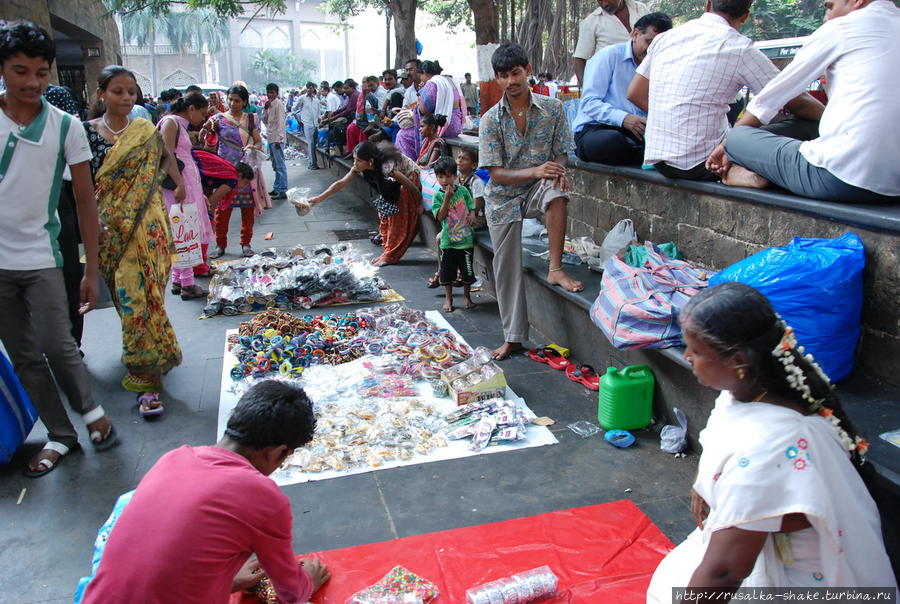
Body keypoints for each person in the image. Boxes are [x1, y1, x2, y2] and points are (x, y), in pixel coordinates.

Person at [646, 282, 896, 601]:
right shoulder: (748, 392)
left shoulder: (770, 446)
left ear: (737, 361)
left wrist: (732, 507)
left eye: (695, 351)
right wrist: (703, 482)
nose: (688, 358)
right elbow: (722, 429)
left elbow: (723, 573)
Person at [81, 380, 332, 604]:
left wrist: (226, 580)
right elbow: (291, 591)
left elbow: (159, 562)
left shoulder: (173, 458)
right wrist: (308, 581)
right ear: (277, 453)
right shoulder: (262, 496)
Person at [0, 21, 118, 477]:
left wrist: (89, 270)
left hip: (43, 256)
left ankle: (90, 412)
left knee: (58, 342)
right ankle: (61, 435)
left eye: (41, 73)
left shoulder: (65, 126)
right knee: (24, 355)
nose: (32, 82)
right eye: (20, 71)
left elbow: (86, 201)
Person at [707, 0, 900, 203]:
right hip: (895, 185)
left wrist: (729, 147)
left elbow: (770, 98)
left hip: (841, 178)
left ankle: (756, 173)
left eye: (829, 7)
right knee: (812, 124)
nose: (825, 18)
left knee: (738, 137)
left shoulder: (843, 28)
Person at [627, 0, 823, 181]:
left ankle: (740, 171)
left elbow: (635, 92)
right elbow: (798, 102)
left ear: (708, 4)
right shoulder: (739, 48)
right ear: (745, 16)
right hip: (705, 161)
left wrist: (673, 120)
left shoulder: (665, 38)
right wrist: (835, 121)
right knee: (811, 126)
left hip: (659, 160)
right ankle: (742, 173)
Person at [84, 65, 184, 418]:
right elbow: (81, 187)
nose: (126, 98)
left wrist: (179, 183)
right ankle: (144, 374)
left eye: (132, 92)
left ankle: (148, 359)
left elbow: (165, 158)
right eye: (118, 91)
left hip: (151, 226)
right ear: (101, 94)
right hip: (110, 230)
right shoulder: (86, 134)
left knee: (151, 294)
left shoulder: (144, 130)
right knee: (131, 298)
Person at [479, 43, 583, 361]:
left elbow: (563, 149)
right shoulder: (490, 120)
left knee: (557, 192)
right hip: (502, 199)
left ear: (528, 72)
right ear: (496, 79)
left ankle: (555, 268)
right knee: (506, 265)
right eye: (503, 76)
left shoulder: (553, 108)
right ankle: (513, 338)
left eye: (516, 73)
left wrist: (556, 169)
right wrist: (538, 170)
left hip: (538, 189)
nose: (510, 81)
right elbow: (495, 175)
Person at [296, 140, 421, 267]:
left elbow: (410, 186)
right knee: (384, 213)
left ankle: (390, 255)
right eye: (354, 159)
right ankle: (387, 248)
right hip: (391, 186)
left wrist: (419, 204)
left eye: (359, 161)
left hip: (409, 179)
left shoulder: (386, 167)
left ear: (370, 161)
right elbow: (340, 183)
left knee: (397, 218)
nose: (355, 164)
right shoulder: (362, 166)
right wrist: (319, 198)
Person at [573, 12, 672, 165]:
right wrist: (624, 119)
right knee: (612, 141)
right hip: (595, 129)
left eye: (659, 46)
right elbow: (588, 103)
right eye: (649, 42)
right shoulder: (608, 56)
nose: (652, 50)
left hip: (637, 132)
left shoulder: (662, 65)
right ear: (636, 34)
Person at [158, 92, 214, 300]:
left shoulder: (178, 124)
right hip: (179, 186)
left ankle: (179, 278)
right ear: (191, 109)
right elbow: (167, 154)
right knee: (184, 232)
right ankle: (188, 283)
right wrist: (180, 184)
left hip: (186, 185)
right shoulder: (171, 123)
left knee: (182, 231)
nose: (202, 119)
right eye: (201, 114)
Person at [43, 83, 87, 346]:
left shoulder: (65, 125)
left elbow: (82, 189)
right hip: (54, 212)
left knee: (70, 277)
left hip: (63, 206)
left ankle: (71, 343)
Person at [203, 84, 268, 258]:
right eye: (230, 100)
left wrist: (252, 146)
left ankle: (246, 243)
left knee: (247, 209)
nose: (232, 103)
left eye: (237, 101)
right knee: (222, 210)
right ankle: (220, 244)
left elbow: (258, 141)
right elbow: (208, 142)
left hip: (245, 170)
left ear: (245, 102)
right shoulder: (218, 119)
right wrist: (211, 130)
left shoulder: (251, 119)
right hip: (223, 170)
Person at [432, 156, 477, 313]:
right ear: (437, 177)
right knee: (447, 274)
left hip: (466, 240)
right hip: (448, 242)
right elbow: (440, 216)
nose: (445, 180)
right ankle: (448, 298)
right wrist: (447, 198)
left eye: (449, 176)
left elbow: (471, 206)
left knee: (467, 273)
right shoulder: (437, 196)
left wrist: (472, 214)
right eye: (441, 176)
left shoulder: (463, 191)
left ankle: (467, 297)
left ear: (455, 176)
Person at [573, 0, 650, 86]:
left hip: (643, 84)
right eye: (600, 1)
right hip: (611, 89)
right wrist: (588, 90)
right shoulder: (592, 22)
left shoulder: (641, 10)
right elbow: (580, 59)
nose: (604, 4)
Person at [418, 60, 464, 139]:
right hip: (456, 126)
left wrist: (421, 93)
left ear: (424, 72)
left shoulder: (432, 83)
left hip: (442, 128)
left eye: (420, 75)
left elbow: (424, 109)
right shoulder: (450, 81)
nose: (420, 79)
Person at [262, 82, 288, 200]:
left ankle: (283, 190)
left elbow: (281, 123)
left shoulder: (279, 104)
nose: (270, 95)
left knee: (280, 165)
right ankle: (277, 187)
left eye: (272, 92)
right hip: (271, 137)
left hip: (277, 139)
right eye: (268, 92)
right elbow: (265, 121)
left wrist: (279, 139)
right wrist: (265, 109)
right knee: (275, 165)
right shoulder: (269, 105)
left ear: (277, 93)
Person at [344, 75, 380, 159]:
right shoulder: (361, 95)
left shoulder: (371, 95)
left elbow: (372, 111)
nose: (365, 85)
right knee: (350, 128)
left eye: (367, 83)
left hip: (369, 121)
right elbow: (358, 111)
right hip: (360, 120)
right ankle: (352, 151)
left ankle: (361, 155)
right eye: (363, 82)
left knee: (363, 131)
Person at [296, 81, 321, 170]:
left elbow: (318, 113)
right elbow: (294, 109)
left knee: (314, 144)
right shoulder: (302, 99)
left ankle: (313, 163)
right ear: (306, 88)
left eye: (312, 87)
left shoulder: (316, 100)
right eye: (308, 88)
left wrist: (319, 120)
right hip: (307, 124)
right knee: (310, 144)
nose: (310, 89)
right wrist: (298, 119)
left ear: (314, 88)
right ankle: (312, 164)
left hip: (315, 124)